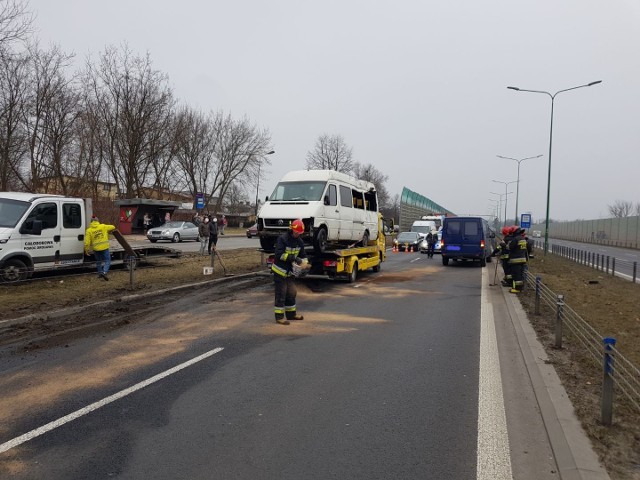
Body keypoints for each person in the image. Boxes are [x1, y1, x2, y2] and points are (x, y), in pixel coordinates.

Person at [271, 218, 308, 325]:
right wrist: (294, 258)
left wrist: (304, 263)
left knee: (292, 293)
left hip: (290, 273)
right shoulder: (283, 239)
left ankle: (291, 315)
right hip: (280, 271)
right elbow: (279, 255)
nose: (298, 234)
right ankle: (279, 317)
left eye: (299, 233)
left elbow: (303, 255)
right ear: (292, 230)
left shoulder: (299, 241)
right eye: (296, 232)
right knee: (281, 294)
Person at [84, 215, 116, 280]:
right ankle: (104, 272)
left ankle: (100, 273)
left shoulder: (89, 230)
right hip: (104, 247)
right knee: (107, 260)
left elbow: (87, 242)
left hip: (96, 249)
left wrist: (86, 250)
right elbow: (113, 227)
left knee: (98, 261)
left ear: (91, 222)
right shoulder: (103, 226)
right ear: (97, 221)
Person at [507, 227, 530, 293]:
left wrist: (506, 244)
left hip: (515, 260)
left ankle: (517, 289)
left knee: (516, 275)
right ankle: (520, 287)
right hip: (522, 259)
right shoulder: (523, 239)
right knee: (520, 274)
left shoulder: (515, 239)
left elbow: (509, 247)